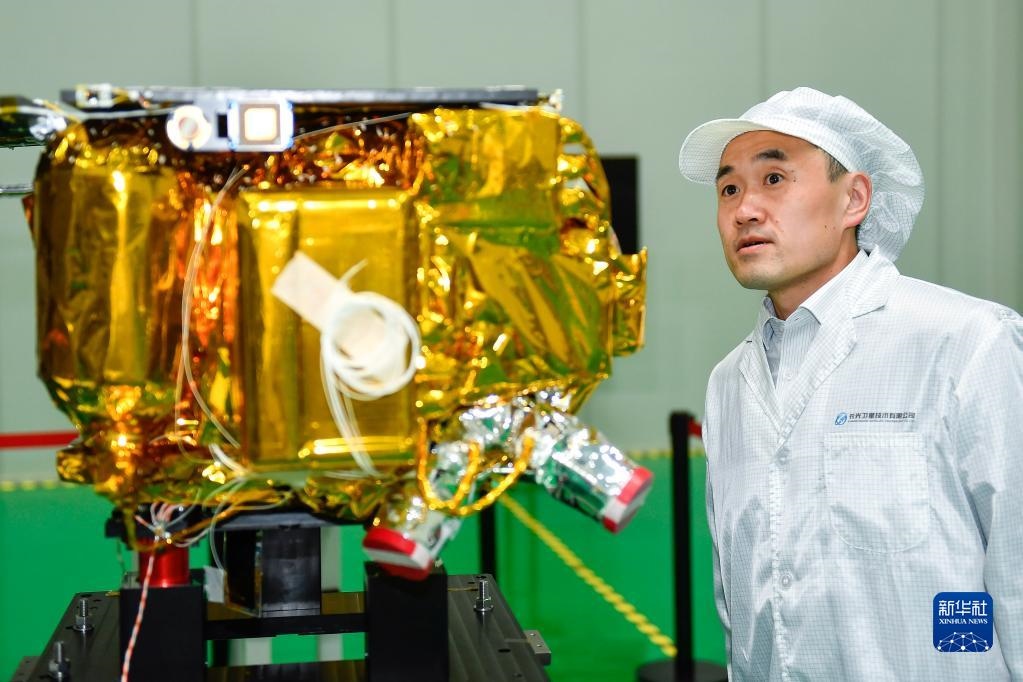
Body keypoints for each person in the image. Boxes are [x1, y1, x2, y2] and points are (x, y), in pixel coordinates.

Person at [677, 87, 1022, 680]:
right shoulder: (729, 383)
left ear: (854, 199)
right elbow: (739, 605)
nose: (745, 210)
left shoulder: (966, 342)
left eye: (774, 178)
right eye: (728, 189)